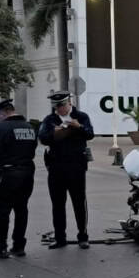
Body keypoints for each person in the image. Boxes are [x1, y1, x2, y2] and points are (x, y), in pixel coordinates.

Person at [38, 91, 94, 249]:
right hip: (56, 167)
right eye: (56, 106)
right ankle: (60, 238)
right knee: (57, 204)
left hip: (76, 167)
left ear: (69, 102)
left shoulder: (81, 116)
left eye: (62, 105)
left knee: (79, 203)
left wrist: (79, 127)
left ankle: (83, 237)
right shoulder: (50, 119)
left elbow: (90, 134)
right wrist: (53, 133)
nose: (59, 109)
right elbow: (42, 138)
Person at [0, 99, 37, 259]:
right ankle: (19, 246)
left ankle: (0, 247)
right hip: (27, 173)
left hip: (8, 173)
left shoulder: (2, 127)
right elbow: (32, 148)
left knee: (2, 212)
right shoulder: (29, 127)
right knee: (21, 210)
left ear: (4, 112)